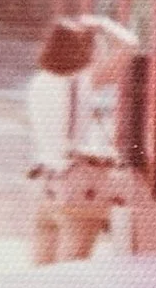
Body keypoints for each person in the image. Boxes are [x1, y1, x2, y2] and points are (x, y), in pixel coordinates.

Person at [26, 15, 138, 264]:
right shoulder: (81, 81)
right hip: (78, 185)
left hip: (47, 182)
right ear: (82, 51)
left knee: (42, 268)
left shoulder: (39, 81)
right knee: (73, 266)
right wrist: (101, 23)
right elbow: (130, 44)